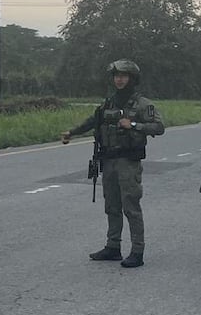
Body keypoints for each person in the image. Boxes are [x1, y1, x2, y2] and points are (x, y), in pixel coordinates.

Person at [61, 59, 165, 268]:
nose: (119, 80)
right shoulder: (108, 103)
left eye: (123, 76)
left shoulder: (143, 104)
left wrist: (133, 124)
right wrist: (72, 132)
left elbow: (159, 127)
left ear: (132, 79)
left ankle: (137, 251)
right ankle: (113, 246)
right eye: (116, 76)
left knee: (131, 206)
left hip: (128, 161)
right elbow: (93, 121)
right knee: (112, 206)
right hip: (108, 160)